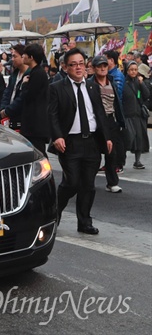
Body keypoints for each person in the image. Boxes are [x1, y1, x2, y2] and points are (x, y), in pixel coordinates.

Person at [49, 48, 112, 235]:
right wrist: (57, 136)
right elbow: (52, 115)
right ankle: (54, 214)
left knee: (88, 185)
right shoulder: (57, 87)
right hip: (70, 143)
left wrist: (107, 137)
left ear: (86, 66)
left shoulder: (92, 87)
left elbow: (100, 114)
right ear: (65, 67)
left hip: (91, 142)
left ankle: (84, 222)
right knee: (71, 183)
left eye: (81, 64)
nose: (78, 68)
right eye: (73, 64)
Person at [4, 43, 50, 155]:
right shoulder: (35, 72)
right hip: (31, 124)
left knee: (38, 154)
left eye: (24, 55)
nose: (23, 57)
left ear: (31, 57)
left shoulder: (37, 73)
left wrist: (24, 85)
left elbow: (29, 95)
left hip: (35, 125)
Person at [90, 55, 125, 193]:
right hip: (96, 121)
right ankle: (88, 182)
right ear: (94, 68)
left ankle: (112, 183)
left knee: (112, 153)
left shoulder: (112, 82)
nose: (103, 68)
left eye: (104, 65)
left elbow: (118, 103)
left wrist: (120, 121)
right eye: (99, 66)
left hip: (111, 120)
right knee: (95, 154)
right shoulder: (89, 84)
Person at [123, 61, 150, 169]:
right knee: (128, 138)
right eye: (131, 70)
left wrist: (141, 83)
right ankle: (121, 160)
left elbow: (147, 94)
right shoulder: (124, 82)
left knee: (139, 138)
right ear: (127, 70)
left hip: (138, 115)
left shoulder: (139, 82)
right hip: (127, 115)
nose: (133, 72)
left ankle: (137, 161)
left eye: (135, 69)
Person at [0, 44, 28, 131]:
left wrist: (7, 111)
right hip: (10, 120)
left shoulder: (30, 75)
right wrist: (3, 108)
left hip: (23, 121)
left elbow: (22, 99)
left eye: (14, 56)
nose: (12, 59)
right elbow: (7, 93)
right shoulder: (14, 74)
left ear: (23, 57)